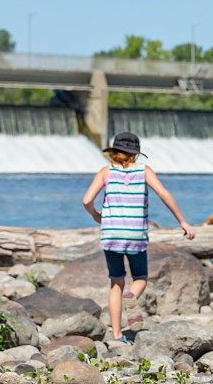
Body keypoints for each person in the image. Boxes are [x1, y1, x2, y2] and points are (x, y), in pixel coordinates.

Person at [82, 132, 196, 344]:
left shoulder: (105, 172)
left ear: (114, 153)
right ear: (134, 154)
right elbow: (163, 194)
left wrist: (96, 215)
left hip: (111, 234)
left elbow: (87, 200)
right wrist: (182, 221)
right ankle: (131, 298)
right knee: (141, 278)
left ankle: (117, 335)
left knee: (116, 283)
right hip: (136, 234)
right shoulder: (144, 171)